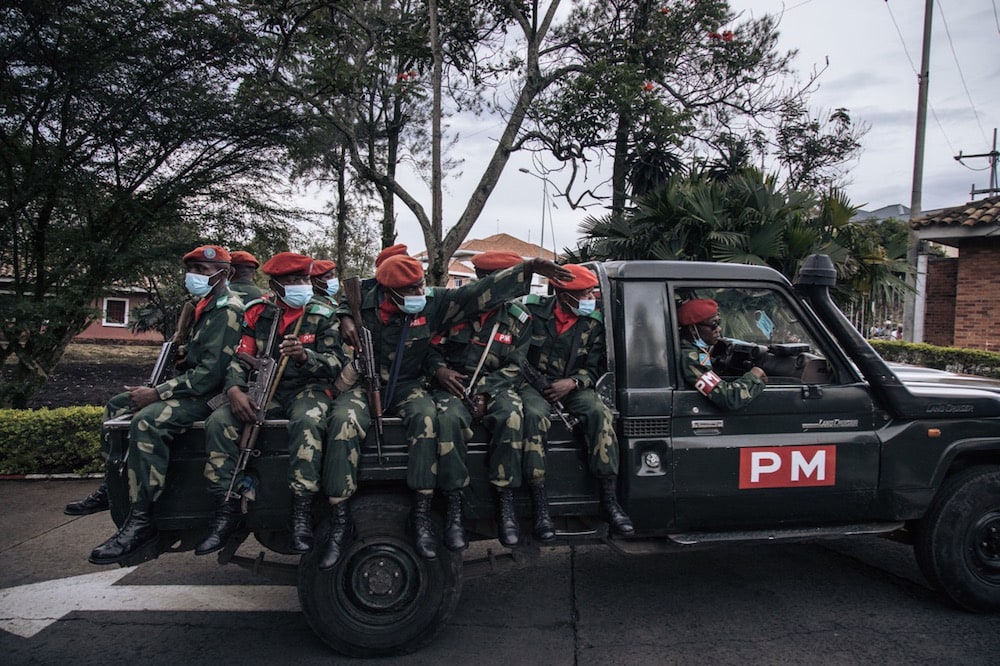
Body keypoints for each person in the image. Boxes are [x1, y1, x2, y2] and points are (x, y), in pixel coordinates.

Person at [329, 254, 570, 563]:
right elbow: (336, 301)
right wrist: (344, 316)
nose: (421, 292)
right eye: (413, 289)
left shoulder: (434, 302)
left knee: (428, 419)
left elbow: (472, 294)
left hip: (406, 382)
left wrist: (527, 269)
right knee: (341, 421)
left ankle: (422, 516)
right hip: (365, 382)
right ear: (389, 291)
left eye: (421, 284)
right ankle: (338, 521)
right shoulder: (364, 295)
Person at [87, 245, 244, 564]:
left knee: (147, 420)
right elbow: (201, 359)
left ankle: (142, 520)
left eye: (203, 270)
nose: (195, 276)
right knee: (119, 406)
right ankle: (113, 487)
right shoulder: (205, 304)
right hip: (195, 387)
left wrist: (157, 394)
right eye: (193, 269)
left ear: (224, 274)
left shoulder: (227, 308)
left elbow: (210, 376)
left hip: (211, 396)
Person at [196, 252, 346, 558]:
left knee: (308, 423)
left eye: (304, 279)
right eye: (292, 281)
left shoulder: (321, 314)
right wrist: (235, 390)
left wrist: (306, 357)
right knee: (219, 422)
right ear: (274, 285)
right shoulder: (257, 312)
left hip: (308, 388)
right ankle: (226, 510)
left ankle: (301, 513)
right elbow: (241, 356)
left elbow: (336, 364)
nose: (301, 286)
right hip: (264, 389)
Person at [428, 251, 553, 547]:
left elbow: (515, 365)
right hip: (453, 385)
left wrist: (483, 391)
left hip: (496, 385)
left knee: (511, 415)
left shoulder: (518, 318)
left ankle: (505, 503)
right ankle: (454, 506)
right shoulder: (454, 310)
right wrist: (439, 370)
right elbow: (428, 348)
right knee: (448, 420)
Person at [520, 264, 634, 536]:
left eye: (591, 293)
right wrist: (537, 381)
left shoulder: (593, 323)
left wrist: (573, 383)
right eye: (583, 295)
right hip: (533, 386)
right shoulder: (532, 313)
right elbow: (515, 351)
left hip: (572, 386)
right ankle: (540, 504)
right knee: (534, 416)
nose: (590, 299)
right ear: (563, 295)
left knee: (599, 412)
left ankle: (608, 501)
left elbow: (595, 366)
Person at [677, 298, 766, 410]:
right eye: (713, 324)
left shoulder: (695, 350)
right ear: (693, 329)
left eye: (719, 323)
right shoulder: (690, 357)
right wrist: (754, 377)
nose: (718, 329)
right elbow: (729, 398)